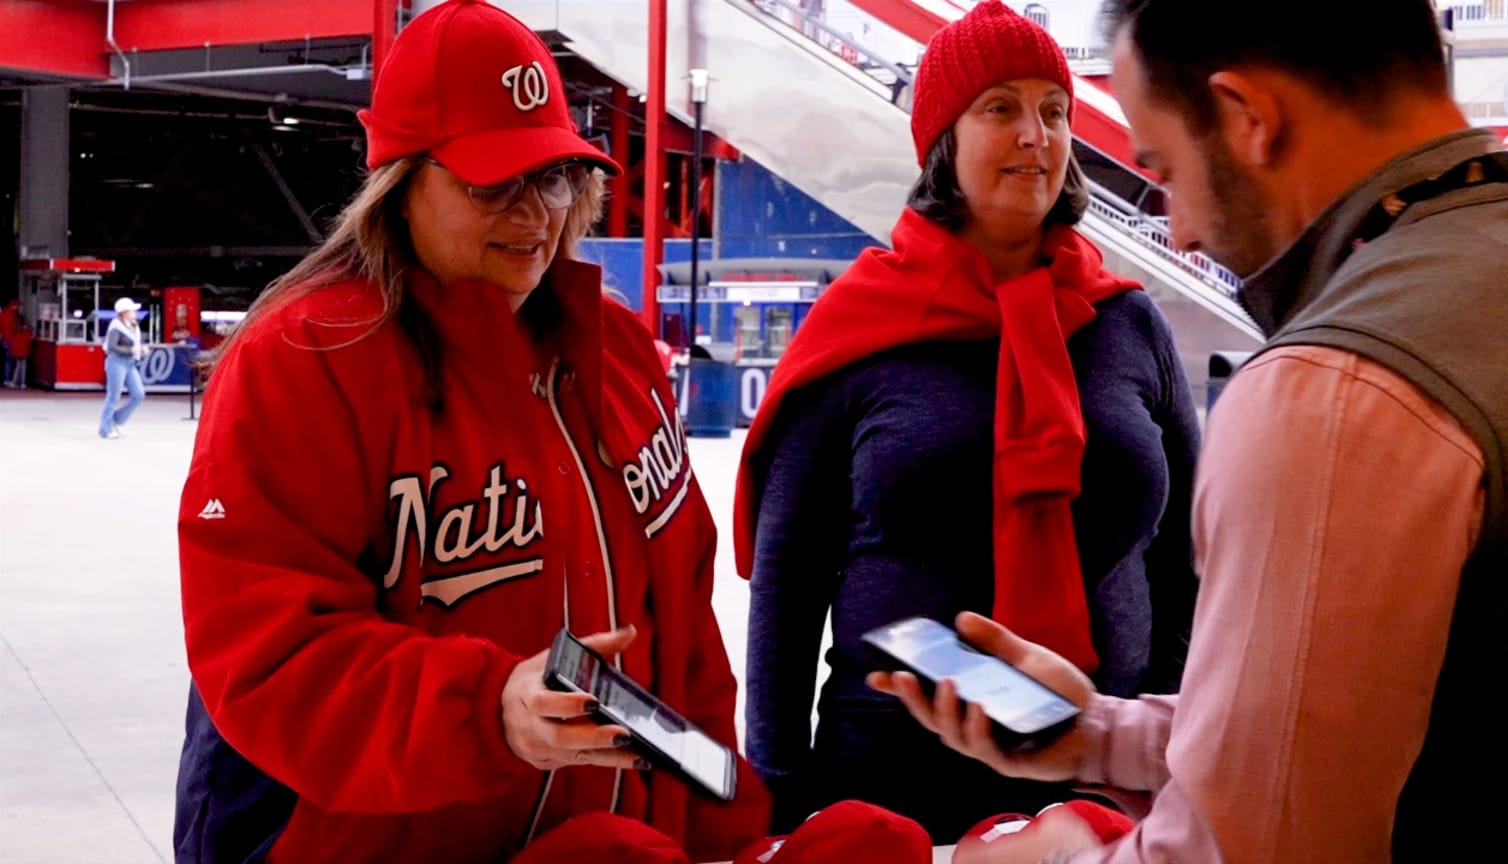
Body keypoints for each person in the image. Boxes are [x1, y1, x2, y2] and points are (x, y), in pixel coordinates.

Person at [874, 0, 1508, 861]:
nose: (1179, 229)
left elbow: (1255, 843)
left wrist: (1052, 850)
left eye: (1168, 168)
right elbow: (1371, 704)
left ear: (1247, 118)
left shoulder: (1333, 394)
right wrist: (1103, 737)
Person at [172, 2, 769, 862]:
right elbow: (271, 655)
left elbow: (683, 636)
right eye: (492, 181)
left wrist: (722, 825)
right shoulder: (304, 360)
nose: (534, 213)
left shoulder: (620, 354)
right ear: (400, 184)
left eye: (554, 175)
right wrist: (489, 711)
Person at [734, 0, 1200, 843]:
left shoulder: (1130, 325)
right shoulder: (860, 328)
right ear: (942, 140)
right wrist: (779, 790)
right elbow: (788, 584)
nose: (1038, 135)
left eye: (1054, 111)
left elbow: (1189, 561)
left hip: (1106, 781)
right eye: (1001, 108)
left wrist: (1165, 749)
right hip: (888, 785)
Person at [100, 297, 147, 438]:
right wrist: (132, 350)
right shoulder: (116, 326)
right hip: (116, 362)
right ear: (124, 312)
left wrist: (138, 350)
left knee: (139, 394)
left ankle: (118, 419)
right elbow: (112, 347)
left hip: (130, 363)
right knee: (113, 396)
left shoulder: (133, 326)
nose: (135, 312)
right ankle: (105, 429)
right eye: (132, 310)